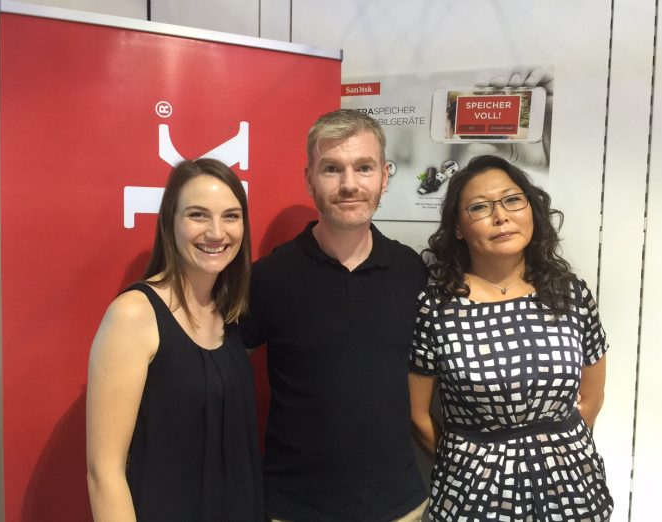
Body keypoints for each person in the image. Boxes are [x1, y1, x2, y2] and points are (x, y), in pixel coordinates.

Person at [241, 109, 428, 521]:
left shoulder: (411, 271)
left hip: (400, 508)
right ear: (309, 179)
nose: (349, 184)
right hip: (293, 508)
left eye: (364, 167)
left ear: (384, 177)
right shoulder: (269, 277)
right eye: (331, 168)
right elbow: (213, 372)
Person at [409, 155, 613, 521]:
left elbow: (592, 398)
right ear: (458, 227)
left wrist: (556, 451)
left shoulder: (570, 294)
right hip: (472, 493)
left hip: (570, 488)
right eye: (479, 207)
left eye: (512, 199)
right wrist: (466, 463)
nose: (500, 216)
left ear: (531, 209)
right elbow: (417, 415)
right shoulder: (436, 306)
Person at [86, 159, 263, 521]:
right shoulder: (134, 315)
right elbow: (104, 474)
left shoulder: (229, 313)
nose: (216, 232)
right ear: (169, 222)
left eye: (231, 216)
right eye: (198, 215)